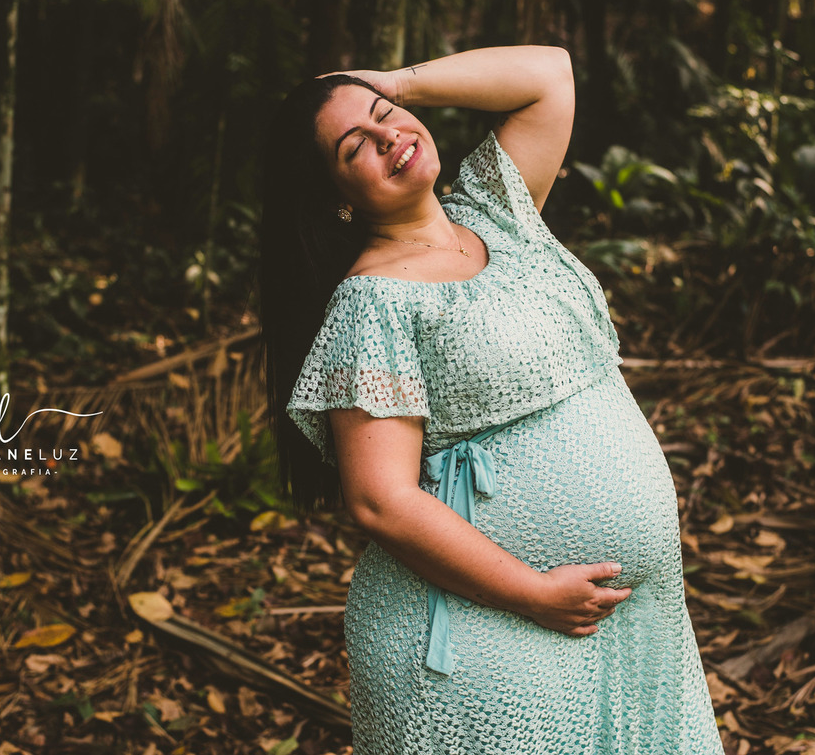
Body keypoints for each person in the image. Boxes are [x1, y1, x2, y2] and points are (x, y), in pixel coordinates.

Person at [259, 45, 722, 754]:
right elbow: (379, 498)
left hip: (632, 623)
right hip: (493, 632)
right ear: (336, 197)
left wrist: (392, 82)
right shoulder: (372, 303)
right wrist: (532, 592)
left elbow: (550, 76)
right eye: (357, 145)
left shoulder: (497, 211)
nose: (389, 136)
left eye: (390, 117)